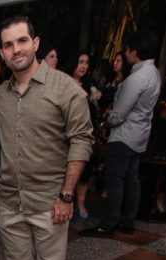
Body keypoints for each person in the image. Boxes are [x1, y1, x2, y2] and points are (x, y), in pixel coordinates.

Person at [0, 16, 93, 260]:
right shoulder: (1, 96)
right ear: (3, 52)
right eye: (8, 44)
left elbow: (82, 141)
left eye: (22, 41)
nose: (16, 49)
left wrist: (67, 195)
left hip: (50, 200)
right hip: (9, 198)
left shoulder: (65, 88)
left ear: (35, 43)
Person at [80, 31, 161, 238]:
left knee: (115, 179)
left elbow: (120, 113)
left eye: (126, 50)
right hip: (140, 135)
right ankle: (127, 220)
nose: (125, 54)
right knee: (131, 178)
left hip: (125, 136)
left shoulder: (138, 77)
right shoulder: (154, 73)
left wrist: (108, 121)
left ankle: (107, 225)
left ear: (135, 52)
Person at [64, 51, 102, 220]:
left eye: (86, 62)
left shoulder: (90, 85)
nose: (83, 66)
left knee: (84, 171)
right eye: (80, 62)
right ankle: (66, 201)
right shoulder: (64, 84)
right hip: (66, 134)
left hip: (86, 132)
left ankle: (80, 203)